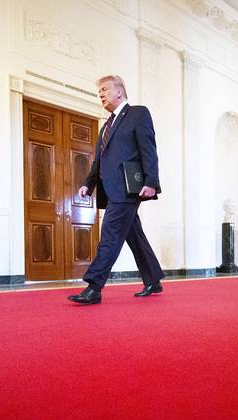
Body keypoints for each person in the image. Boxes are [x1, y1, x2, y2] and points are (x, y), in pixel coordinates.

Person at [67, 75, 164, 305]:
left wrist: (151, 181)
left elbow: (148, 148)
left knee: (110, 234)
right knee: (134, 235)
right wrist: (88, 184)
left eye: (104, 89)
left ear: (119, 92)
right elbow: (98, 162)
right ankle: (153, 280)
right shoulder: (106, 127)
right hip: (111, 190)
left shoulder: (138, 114)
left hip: (128, 188)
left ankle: (94, 287)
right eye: (99, 91)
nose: (100, 94)